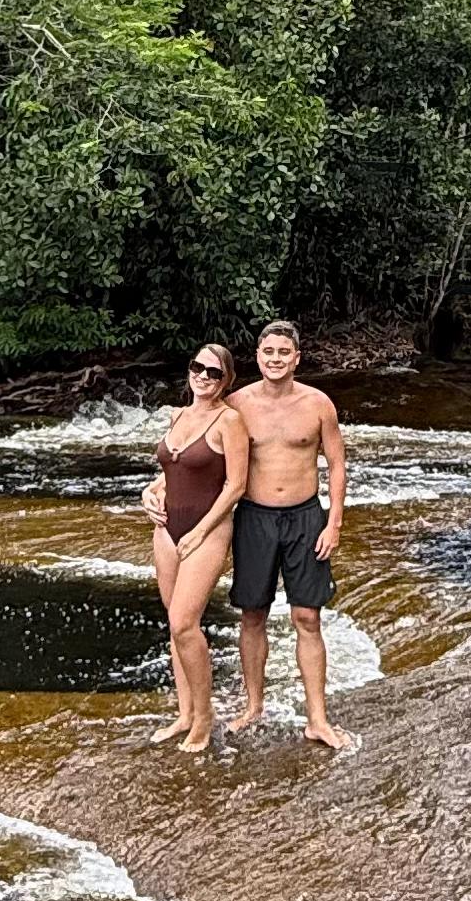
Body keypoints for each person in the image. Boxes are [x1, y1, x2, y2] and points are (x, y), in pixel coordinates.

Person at [227, 318, 354, 753]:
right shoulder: (237, 404)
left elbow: (336, 463)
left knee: (308, 617)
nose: (276, 360)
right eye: (269, 353)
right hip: (253, 518)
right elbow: (205, 453)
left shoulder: (318, 404)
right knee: (252, 615)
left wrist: (334, 521)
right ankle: (253, 706)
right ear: (258, 357)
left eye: (284, 353)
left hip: (305, 518)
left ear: (296, 358)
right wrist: (162, 487)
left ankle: (317, 718)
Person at [139, 342, 249, 757]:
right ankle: (184, 713)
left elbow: (235, 485)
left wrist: (202, 531)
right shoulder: (177, 415)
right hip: (166, 529)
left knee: (186, 623)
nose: (203, 376)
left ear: (226, 381)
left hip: (209, 530)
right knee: (174, 625)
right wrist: (148, 492)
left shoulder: (229, 421)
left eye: (214, 372)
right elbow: (172, 470)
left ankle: (205, 717)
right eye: (197, 367)